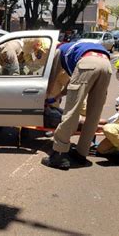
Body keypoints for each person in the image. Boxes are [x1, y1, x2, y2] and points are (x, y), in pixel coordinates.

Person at [41, 41, 112, 170]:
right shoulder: (74, 49)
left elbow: (52, 77)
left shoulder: (59, 50)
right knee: (94, 113)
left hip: (88, 63)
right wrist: (58, 96)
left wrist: (45, 96)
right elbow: (72, 82)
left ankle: (59, 155)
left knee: (71, 111)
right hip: (106, 65)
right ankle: (81, 153)